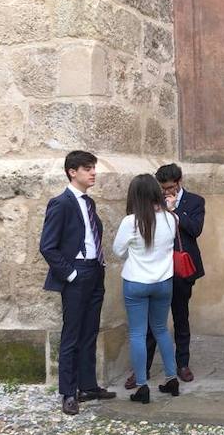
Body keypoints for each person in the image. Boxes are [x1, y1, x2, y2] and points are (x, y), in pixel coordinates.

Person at [39, 150, 116, 416]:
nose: (93, 173)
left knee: (90, 331)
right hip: (76, 273)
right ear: (72, 172)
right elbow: (48, 247)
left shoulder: (89, 203)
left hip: (94, 271)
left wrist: (98, 267)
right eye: (87, 168)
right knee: (72, 334)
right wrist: (71, 274)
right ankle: (68, 393)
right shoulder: (60, 203)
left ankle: (88, 386)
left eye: (93, 168)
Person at [124, 163, 204, 389]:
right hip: (155, 272)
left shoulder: (195, 201)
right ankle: (143, 369)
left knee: (181, 318)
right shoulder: (152, 201)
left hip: (181, 269)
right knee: (150, 324)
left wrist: (173, 213)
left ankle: (182, 365)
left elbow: (196, 229)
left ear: (179, 182)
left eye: (170, 187)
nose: (167, 191)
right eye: (163, 188)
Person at [113, 175, 181, 404]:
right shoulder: (171, 219)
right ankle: (172, 378)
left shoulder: (130, 222)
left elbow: (118, 251)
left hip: (136, 282)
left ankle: (142, 385)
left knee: (137, 333)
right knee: (161, 329)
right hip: (163, 282)